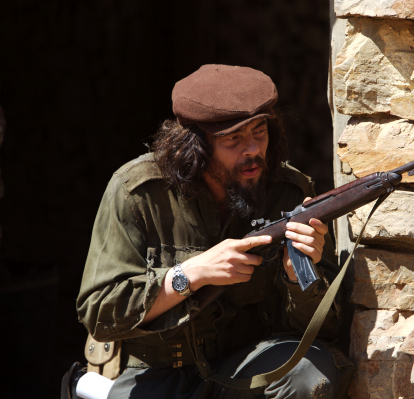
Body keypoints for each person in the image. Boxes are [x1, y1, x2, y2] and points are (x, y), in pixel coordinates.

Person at [76, 64, 352, 399]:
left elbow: (328, 329)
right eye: (233, 139)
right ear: (195, 146)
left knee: (310, 375)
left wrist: (298, 279)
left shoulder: (290, 192)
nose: (251, 150)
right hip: (156, 376)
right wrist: (190, 275)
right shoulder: (137, 193)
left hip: (248, 368)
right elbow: (100, 311)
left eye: (259, 132)